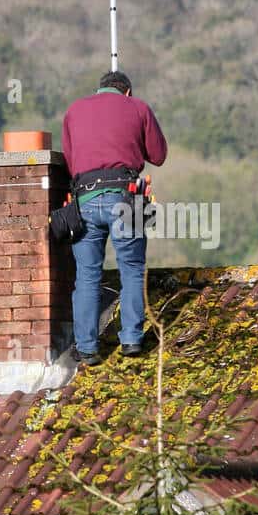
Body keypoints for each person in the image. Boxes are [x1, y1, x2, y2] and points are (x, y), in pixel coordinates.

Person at [61, 70, 168, 364]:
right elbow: (158, 155)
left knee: (87, 275)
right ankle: (132, 340)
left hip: (83, 199)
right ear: (127, 93)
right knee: (131, 268)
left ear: (99, 90)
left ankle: (87, 347)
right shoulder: (138, 108)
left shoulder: (74, 110)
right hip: (126, 196)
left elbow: (70, 162)